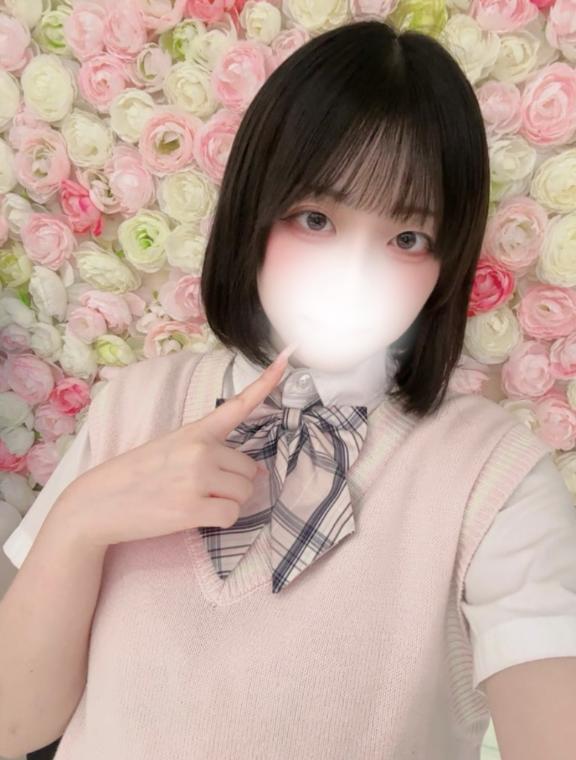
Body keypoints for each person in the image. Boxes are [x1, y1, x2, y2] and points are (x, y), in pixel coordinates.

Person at [1, 18, 575, 760]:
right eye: (316, 219)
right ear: (255, 212)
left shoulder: (493, 479)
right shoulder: (136, 404)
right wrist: (81, 518)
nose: (354, 275)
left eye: (407, 239)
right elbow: (15, 726)